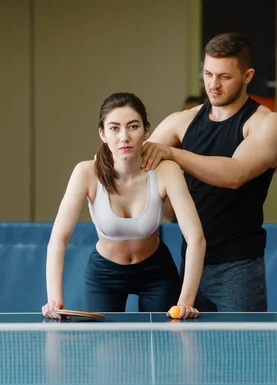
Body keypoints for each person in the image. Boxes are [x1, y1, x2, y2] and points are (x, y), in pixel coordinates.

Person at [140, 33, 277, 312]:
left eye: (224, 77)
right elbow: (135, 162)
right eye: (208, 73)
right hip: (191, 264)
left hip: (239, 267)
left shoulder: (266, 123)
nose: (213, 84)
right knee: (191, 354)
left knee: (243, 354)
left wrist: (173, 153)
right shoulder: (181, 122)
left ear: (248, 76)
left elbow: (234, 174)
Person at [42, 92, 205, 320]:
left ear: (146, 130)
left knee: (163, 346)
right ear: (103, 134)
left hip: (156, 271)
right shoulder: (85, 173)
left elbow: (196, 239)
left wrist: (186, 302)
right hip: (105, 274)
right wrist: (54, 299)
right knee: (103, 350)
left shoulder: (167, 171)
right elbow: (58, 239)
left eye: (133, 126)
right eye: (114, 128)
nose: (124, 137)